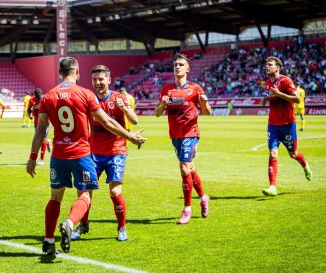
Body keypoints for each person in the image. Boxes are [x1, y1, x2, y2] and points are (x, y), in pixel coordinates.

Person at [26, 57, 146, 258]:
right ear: (77, 72)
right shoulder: (85, 94)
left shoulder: (48, 96)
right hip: (82, 154)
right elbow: (107, 122)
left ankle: (48, 242)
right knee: (85, 195)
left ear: (59, 73)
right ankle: (71, 223)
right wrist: (130, 137)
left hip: (58, 155)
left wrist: (32, 157)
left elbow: (40, 130)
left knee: (55, 197)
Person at [71, 65, 138, 242]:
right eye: (94, 79)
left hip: (116, 151)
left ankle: (122, 228)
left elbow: (134, 120)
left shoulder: (119, 97)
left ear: (109, 80)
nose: (98, 83)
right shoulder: (89, 99)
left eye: (101, 79)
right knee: (84, 190)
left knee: (115, 192)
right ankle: (83, 225)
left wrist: (124, 108)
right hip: (93, 152)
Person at [155, 53, 211, 224]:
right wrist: (163, 104)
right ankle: (203, 197)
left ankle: (187, 209)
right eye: (175, 65)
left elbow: (208, 111)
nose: (177, 67)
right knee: (190, 168)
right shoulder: (167, 89)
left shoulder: (195, 88)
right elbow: (157, 113)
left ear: (187, 68)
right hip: (175, 135)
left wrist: (203, 103)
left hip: (190, 133)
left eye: (181, 64)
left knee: (184, 168)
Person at [260, 57, 312, 197]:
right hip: (273, 125)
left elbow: (297, 99)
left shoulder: (286, 80)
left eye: (270, 65)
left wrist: (279, 94)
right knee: (272, 153)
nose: (267, 66)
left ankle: (305, 165)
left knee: (293, 154)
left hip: (288, 125)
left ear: (277, 68)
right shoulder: (267, 83)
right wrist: (266, 99)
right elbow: (273, 98)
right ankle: (272, 187)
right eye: (266, 64)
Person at [27, 88, 51, 165]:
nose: (38, 98)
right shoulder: (31, 100)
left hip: (45, 122)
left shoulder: (45, 99)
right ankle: (47, 142)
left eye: (39, 96)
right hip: (36, 123)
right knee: (39, 139)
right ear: (35, 96)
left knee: (42, 139)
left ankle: (41, 159)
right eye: (37, 97)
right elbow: (28, 109)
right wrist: (29, 115)